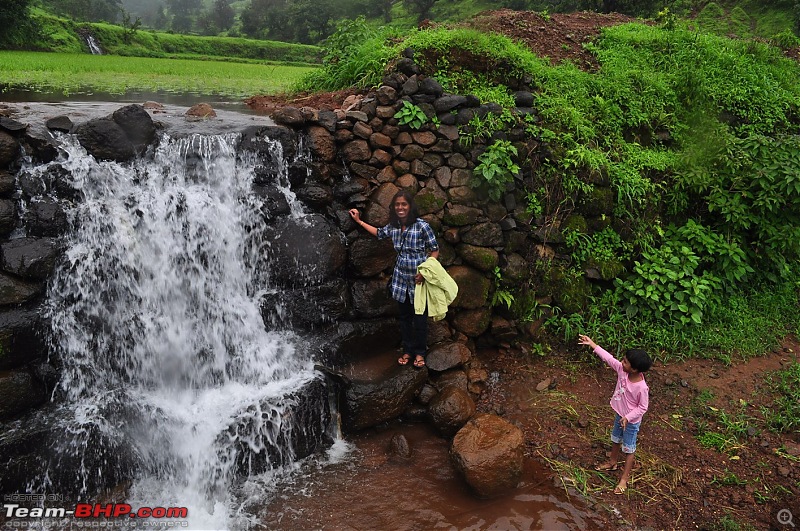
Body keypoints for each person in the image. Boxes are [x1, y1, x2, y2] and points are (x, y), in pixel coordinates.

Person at [349, 190, 439, 368]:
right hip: (400, 280)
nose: (400, 207)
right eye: (397, 204)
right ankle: (407, 350)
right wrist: (359, 221)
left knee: (420, 318)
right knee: (405, 318)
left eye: (404, 204)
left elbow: (434, 250)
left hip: (420, 280)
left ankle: (420, 353)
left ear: (410, 206)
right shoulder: (395, 226)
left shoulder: (422, 226)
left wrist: (426, 272)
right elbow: (379, 233)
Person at [578, 334, 652, 495]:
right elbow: (609, 358)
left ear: (634, 369)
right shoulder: (622, 370)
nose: (621, 362)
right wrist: (593, 344)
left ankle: (624, 478)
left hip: (631, 421)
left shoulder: (641, 387)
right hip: (620, 414)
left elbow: (643, 407)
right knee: (615, 438)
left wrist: (628, 417)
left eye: (625, 361)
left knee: (629, 448)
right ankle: (612, 462)